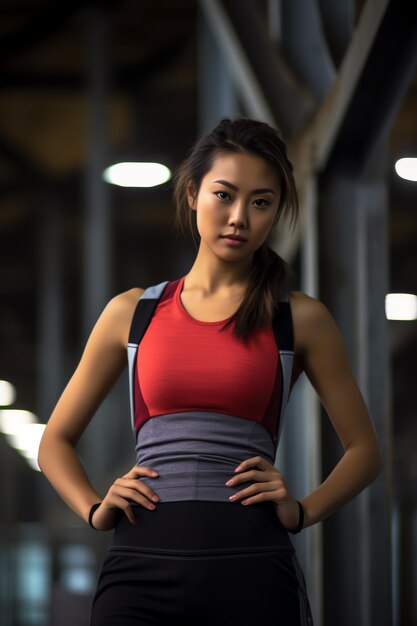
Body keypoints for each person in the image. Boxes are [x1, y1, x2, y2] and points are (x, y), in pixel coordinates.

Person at [38, 117, 381, 626]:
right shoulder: (132, 313)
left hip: (253, 567)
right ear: (194, 193)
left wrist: (302, 511)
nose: (239, 217)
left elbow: (365, 451)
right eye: (225, 195)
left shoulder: (299, 318)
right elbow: (54, 441)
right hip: (140, 568)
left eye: (261, 202)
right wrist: (94, 508)